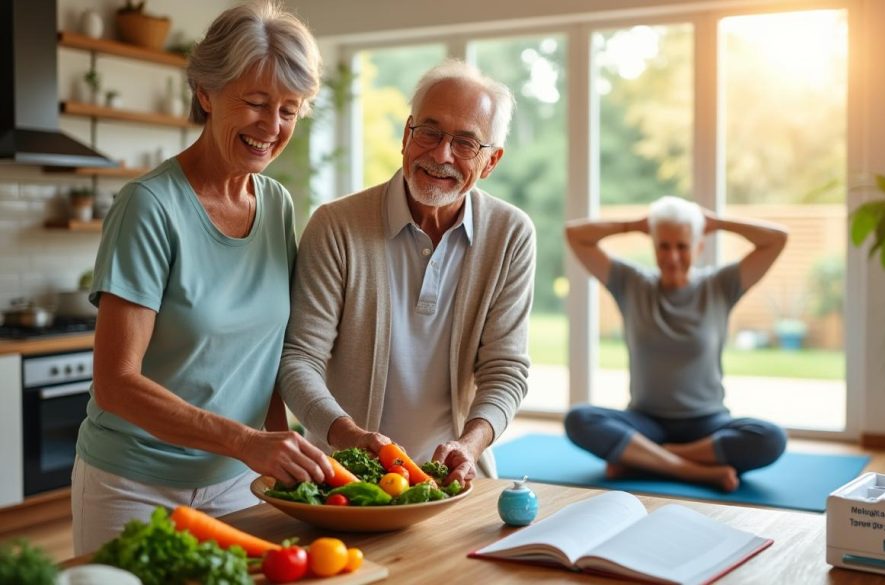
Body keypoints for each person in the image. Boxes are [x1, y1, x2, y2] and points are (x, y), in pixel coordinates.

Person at [72, 2, 334, 554]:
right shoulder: (149, 207)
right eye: (256, 103)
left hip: (240, 482)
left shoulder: (278, 205)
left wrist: (274, 450)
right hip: (134, 484)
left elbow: (266, 355)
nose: (272, 127)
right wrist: (249, 442)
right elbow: (116, 382)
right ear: (206, 93)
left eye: (289, 109)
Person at [278, 59, 536, 489]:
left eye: (466, 143)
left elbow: (505, 370)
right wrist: (351, 439)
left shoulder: (511, 235)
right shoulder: (336, 225)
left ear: (491, 162)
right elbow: (298, 359)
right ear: (406, 136)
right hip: (341, 478)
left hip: (454, 482)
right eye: (429, 132)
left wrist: (469, 446)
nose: (440, 155)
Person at [563, 197, 789, 491]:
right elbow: (575, 235)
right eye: (663, 246)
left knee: (771, 438)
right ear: (653, 246)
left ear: (699, 246)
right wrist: (634, 225)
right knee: (579, 419)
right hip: (645, 423)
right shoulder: (631, 284)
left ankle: (645, 461)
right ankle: (697, 472)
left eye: (682, 246)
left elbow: (777, 239)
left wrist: (717, 223)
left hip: (706, 425)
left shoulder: (720, 285)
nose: (672, 257)